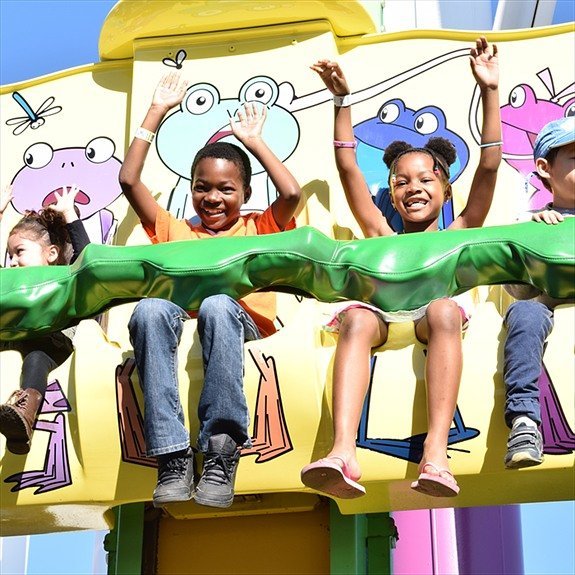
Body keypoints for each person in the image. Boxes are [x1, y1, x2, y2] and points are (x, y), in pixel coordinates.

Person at [302, 37, 501, 498]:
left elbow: (489, 164)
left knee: (444, 310)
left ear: (446, 190)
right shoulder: (381, 235)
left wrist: (490, 89)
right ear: (390, 195)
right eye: (400, 182)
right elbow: (347, 165)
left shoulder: (460, 230)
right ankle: (342, 451)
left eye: (425, 179)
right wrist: (341, 101)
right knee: (355, 316)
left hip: (433, 320)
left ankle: (436, 454)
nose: (412, 187)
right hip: (384, 320)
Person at [118, 72, 301, 508]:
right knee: (149, 310)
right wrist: (156, 111)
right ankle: (171, 454)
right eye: (203, 187)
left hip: (241, 325)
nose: (213, 197)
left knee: (220, 303)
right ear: (191, 189)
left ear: (245, 193)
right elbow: (128, 181)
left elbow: (291, 192)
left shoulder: (258, 226)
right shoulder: (176, 230)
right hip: (190, 323)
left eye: (226, 188)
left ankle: (221, 448)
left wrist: (254, 142)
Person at [503, 116, 575, 469]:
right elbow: (516, 291)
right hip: (550, 302)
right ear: (545, 168)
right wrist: (533, 241)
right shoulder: (533, 223)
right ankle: (525, 422)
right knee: (525, 313)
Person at [0, 185, 90, 454]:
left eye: (20, 252)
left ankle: (24, 415)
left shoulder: (62, 278)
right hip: (13, 340)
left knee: (37, 354)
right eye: (10, 254)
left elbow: (89, 262)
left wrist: (69, 215)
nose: (13, 261)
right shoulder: (9, 283)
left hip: (49, 343)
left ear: (50, 254)